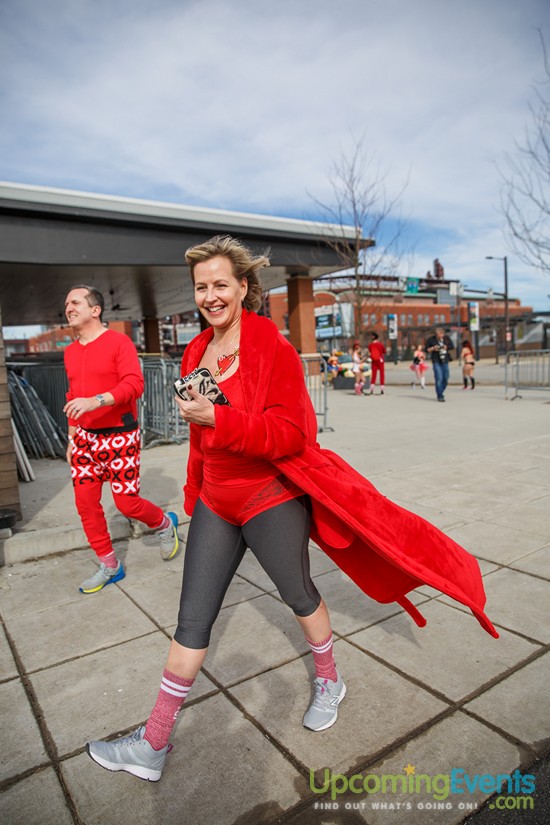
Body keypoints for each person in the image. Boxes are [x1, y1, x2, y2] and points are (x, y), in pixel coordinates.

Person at [86, 236, 497, 783]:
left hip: (269, 498)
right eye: (201, 287)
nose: (210, 295)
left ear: (243, 288)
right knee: (191, 620)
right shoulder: (193, 352)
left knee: (300, 595)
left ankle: (330, 678)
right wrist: (193, 492)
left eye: (220, 285)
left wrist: (221, 418)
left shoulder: (270, 347)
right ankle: (153, 743)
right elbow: (199, 438)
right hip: (216, 501)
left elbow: (291, 434)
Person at [63, 285, 180, 594]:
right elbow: (73, 397)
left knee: (126, 503)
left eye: (75, 302)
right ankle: (110, 565)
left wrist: (96, 401)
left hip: (120, 436)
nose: (69, 308)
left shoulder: (119, 342)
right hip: (85, 440)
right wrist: (71, 436)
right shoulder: (71, 351)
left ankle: (165, 523)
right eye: (67, 304)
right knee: (86, 504)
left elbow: (134, 384)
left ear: (95, 309)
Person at [425, 327, 454, 402]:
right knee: (439, 378)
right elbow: (426, 349)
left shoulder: (446, 339)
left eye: (441, 334)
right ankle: (440, 395)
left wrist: (445, 347)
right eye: (438, 334)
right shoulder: (431, 340)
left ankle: (441, 390)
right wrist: (433, 348)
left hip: (445, 360)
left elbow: (452, 346)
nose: (440, 336)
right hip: (436, 360)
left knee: (446, 377)